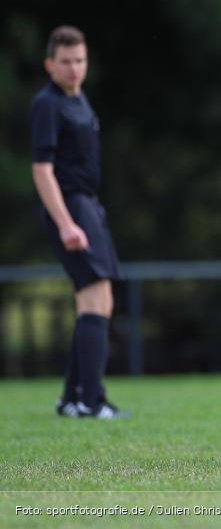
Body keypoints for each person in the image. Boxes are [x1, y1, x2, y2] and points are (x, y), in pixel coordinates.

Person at [30, 26, 129, 419]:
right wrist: (67, 223)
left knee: (97, 301)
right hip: (69, 207)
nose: (74, 69)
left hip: (88, 205)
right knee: (95, 298)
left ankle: (71, 397)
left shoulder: (80, 99)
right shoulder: (47, 104)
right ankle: (92, 400)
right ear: (50, 64)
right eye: (66, 62)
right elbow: (42, 170)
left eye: (80, 61)